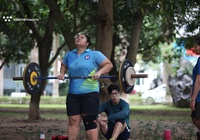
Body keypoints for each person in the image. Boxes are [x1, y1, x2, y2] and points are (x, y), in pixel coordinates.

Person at [57, 32, 113, 140]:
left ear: (87, 43)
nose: (78, 38)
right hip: (73, 94)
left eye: (82, 37)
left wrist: (99, 72)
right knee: (73, 121)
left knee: (89, 121)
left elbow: (108, 64)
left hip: (90, 93)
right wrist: (62, 74)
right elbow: (64, 65)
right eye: (77, 37)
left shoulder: (94, 54)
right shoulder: (70, 55)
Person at [190, 37, 200, 140]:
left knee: (196, 119)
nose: (194, 48)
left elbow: (198, 80)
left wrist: (193, 98)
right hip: (197, 94)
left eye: (196, 46)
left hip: (199, 97)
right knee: (195, 119)